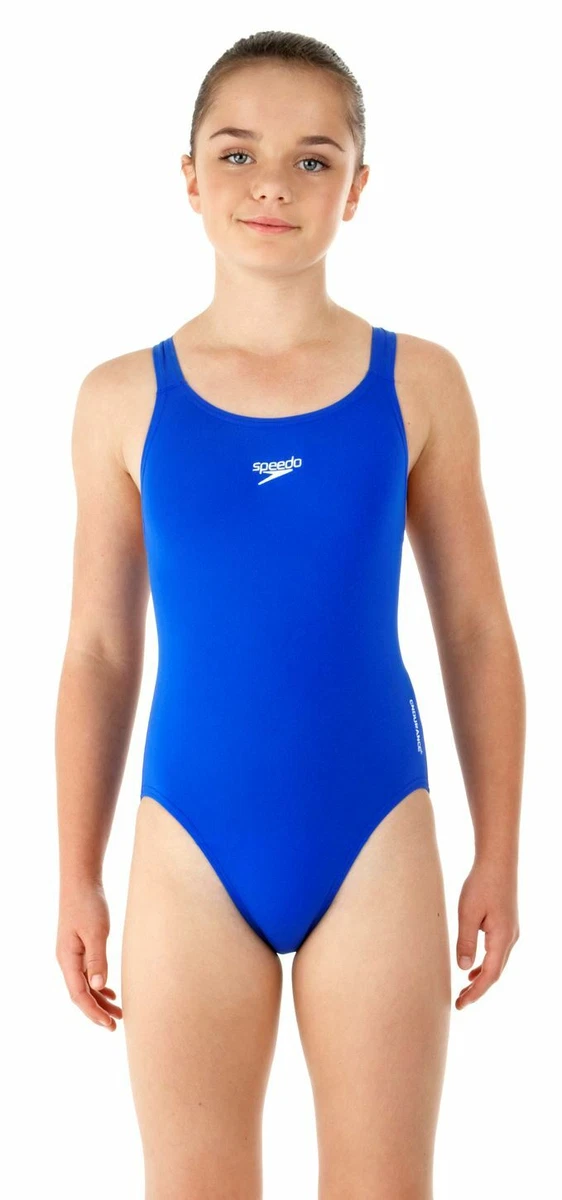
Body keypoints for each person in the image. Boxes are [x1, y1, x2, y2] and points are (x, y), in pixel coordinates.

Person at [54, 29, 524, 1200]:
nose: (272, 183)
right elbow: (100, 650)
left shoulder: (418, 383)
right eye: (238, 153)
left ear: (355, 189)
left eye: (314, 159)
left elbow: (475, 628)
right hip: (186, 844)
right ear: (189, 177)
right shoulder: (120, 398)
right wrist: (75, 873)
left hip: (375, 836)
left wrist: (501, 853)